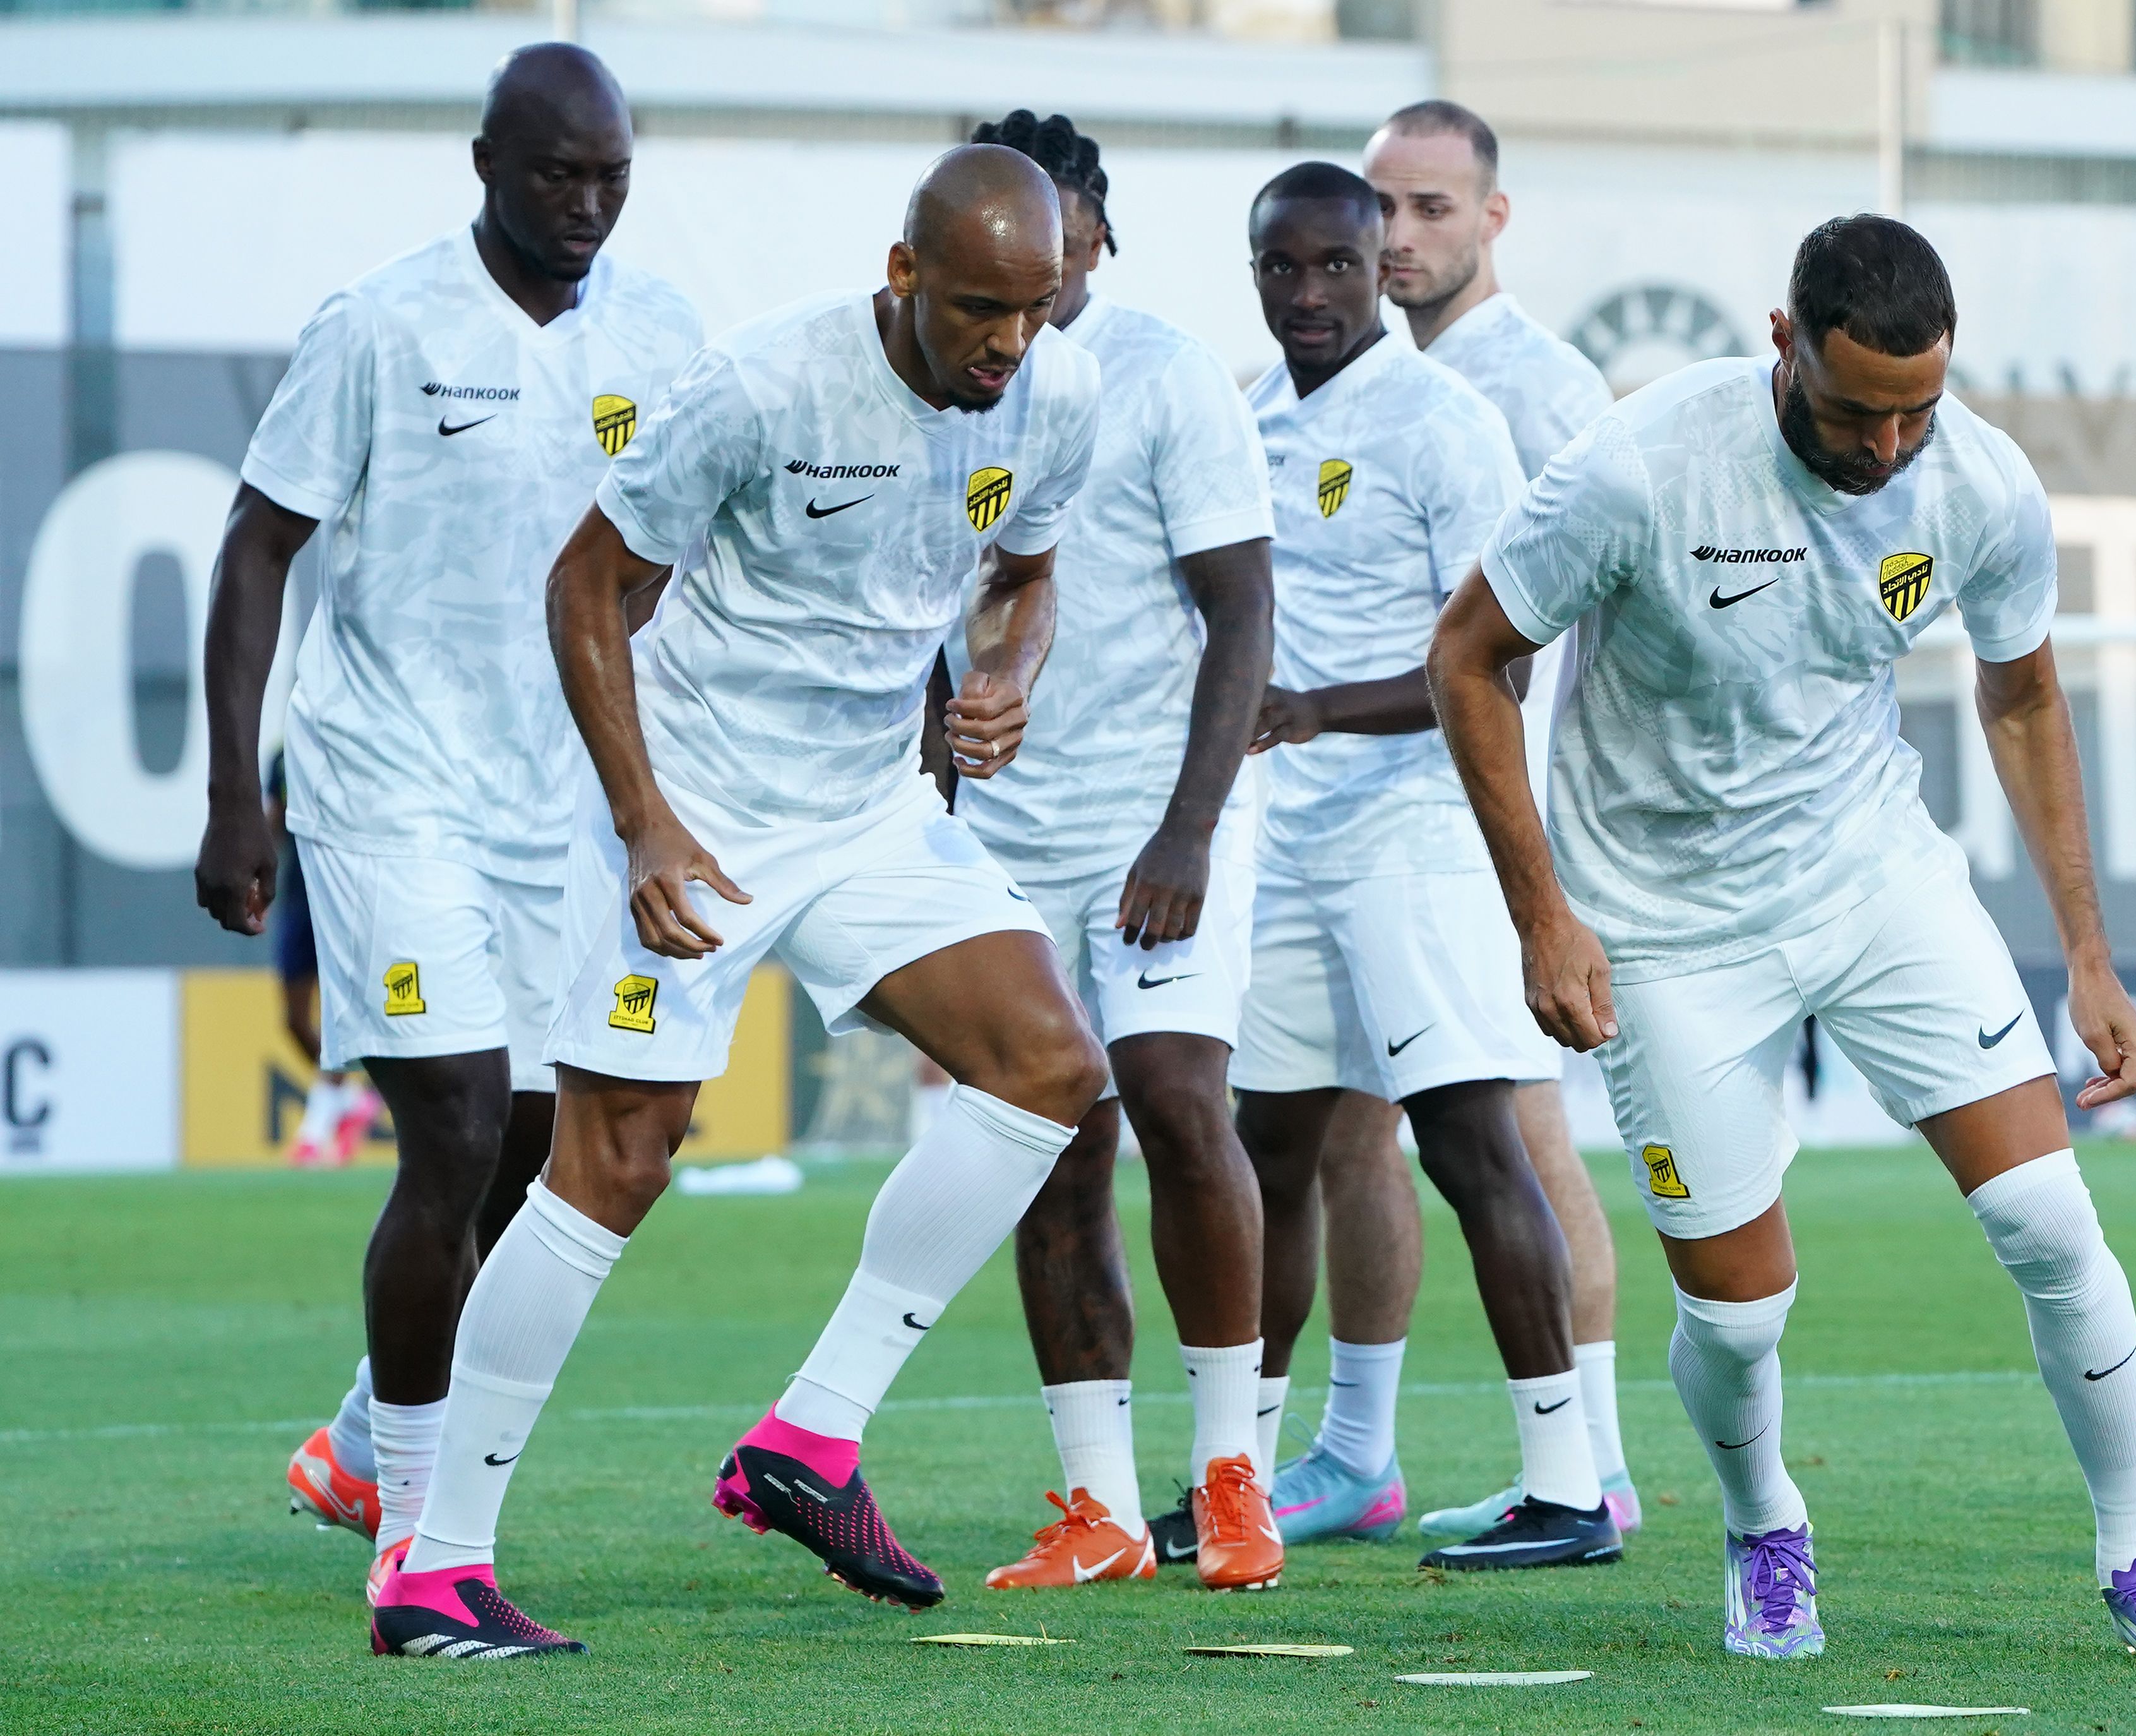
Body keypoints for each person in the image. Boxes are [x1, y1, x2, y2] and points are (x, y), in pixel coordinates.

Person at [1429, 213, 2136, 1666]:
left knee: (2049, 1224)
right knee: (1737, 1319)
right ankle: (1761, 1526)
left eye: (1913, 411)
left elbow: (2020, 695)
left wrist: (2089, 957)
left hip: (1874, 884)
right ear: (1779, 342)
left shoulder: (1976, 480)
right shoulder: (1642, 460)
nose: (1884, 450)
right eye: (1854, 411)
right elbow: (1467, 656)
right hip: (1668, 933)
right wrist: (1540, 914)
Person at [369, 143, 1109, 1660]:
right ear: (902, 274)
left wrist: (1001, 673)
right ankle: (429, 1568)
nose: (1004, 345)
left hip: (862, 809)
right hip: (693, 804)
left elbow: (1027, 573)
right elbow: (587, 584)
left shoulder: (1055, 390)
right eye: (977, 308)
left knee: (1051, 1066)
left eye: (1032, 312)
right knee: (617, 1163)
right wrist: (639, 825)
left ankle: (812, 1438)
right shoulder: (761, 385)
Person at [194, 44, 703, 1596]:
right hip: (387, 787)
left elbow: (692, 542)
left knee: (550, 1142)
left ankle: (362, 1431)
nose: (587, 204)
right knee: (458, 1124)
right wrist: (234, 789)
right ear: (485, 163)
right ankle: (416, 1533)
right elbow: (256, 549)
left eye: (612, 175)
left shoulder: (658, 331)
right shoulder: (380, 322)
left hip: (564, 803)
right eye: (558, 173)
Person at [1229, 162, 1618, 1575]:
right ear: (1257, 273)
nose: (1312, 292)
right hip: (1280, 837)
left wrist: (1322, 707)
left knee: (1472, 1141)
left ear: (1377, 270)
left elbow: (1496, 655)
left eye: (1338, 266)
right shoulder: (1242, 415)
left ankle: (1568, 1482)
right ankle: (1238, 1477)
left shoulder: (1449, 427)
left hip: (1417, 833)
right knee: (1267, 1152)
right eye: (1285, 269)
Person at [936, 113, 1282, 1595]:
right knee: (1047, 1142)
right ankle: (1097, 1506)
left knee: (1179, 1100)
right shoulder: (942, 385)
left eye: (1062, 234)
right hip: (1003, 825)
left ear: (1097, 237)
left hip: (1160, 817)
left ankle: (1229, 1479)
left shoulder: (1164, 374)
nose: (1037, 263)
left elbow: (1243, 613)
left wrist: (1189, 826)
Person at [1328, 99, 1640, 1544]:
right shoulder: (1387, 385)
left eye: (1430, 208)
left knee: (1519, 1136)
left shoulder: (1532, 390)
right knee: (1342, 1127)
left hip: (1484, 826)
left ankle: (1597, 1462)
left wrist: (1539, 868)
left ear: (1493, 218)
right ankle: (1355, 1448)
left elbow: (1550, 635)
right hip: (1374, 820)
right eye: (1379, 207)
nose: (1396, 236)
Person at [266, 746, 385, 1172]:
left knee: (343, 1013)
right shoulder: (284, 757)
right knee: (295, 1021)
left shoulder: (356, 746)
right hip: (299, 897)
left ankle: (315, 1130)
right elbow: (276, 820)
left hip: (348, 895)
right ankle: (349, 1099)